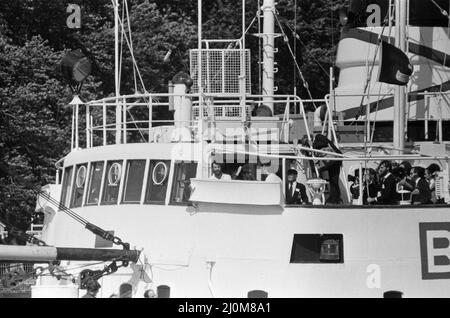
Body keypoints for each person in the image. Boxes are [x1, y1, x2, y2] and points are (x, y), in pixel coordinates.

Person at [313, 134, 342, 204]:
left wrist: (312, 144)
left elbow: (317, 147)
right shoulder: (329, 143)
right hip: (336, 161)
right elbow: (338, 153)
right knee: (334, 181)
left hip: (330, 162)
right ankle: (336, 198)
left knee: (332, 181)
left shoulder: (320, 143)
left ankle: (333, 198)